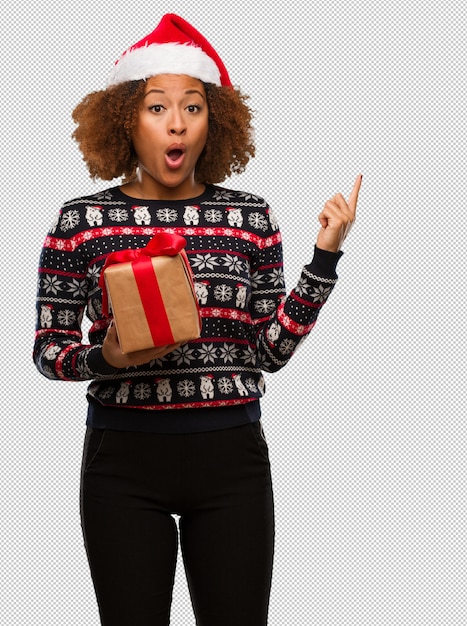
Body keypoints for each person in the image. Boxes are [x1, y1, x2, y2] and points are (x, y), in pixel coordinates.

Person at [33, 13, 361, 626]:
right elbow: (49, 350)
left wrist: (325, 258)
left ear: (216, 120)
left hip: (230, 459)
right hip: (122, 460)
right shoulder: (79, 222)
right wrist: (108, 357)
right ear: (127, 117)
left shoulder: (249, 218)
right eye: (156, 107)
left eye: (193, 106)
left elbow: (268, 352)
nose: (176, 123)